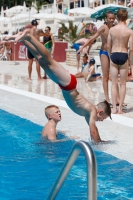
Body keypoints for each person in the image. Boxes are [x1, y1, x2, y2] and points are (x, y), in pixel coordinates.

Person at [15, 30, 112, 143]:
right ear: (100, 112)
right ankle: (29, 37)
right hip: (69, 83)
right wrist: (97, 145)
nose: (101, 121)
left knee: (41, 61)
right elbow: (92, 131)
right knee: (48, 60)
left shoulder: (88, 113)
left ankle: (24, 41)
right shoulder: (92, 111)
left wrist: (100, 140)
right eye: (103, 118)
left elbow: (94, 129)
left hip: (65, 85)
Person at [78, 11, 115, 105]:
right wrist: (83, 47)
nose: (111, 20)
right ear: (106, 19)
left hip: (113, 52)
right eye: (110, 18)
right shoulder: (103, 28)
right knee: (105, 76)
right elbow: (92, 39)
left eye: (113, 18)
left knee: (114, 77)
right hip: (104, 52)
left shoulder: (115, 28)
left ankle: (117, 99)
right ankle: (107, 99)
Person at [107, 9, 133, 114]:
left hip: (114, 54)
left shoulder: (112, 30)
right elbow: (131, 49)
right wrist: (130, 61)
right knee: (122, 84)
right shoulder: (129, 31)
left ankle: (113, 108)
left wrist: (110, 56)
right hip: (123, 55)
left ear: (117, 17)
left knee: (114, 84)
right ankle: (120, 109)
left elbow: (108, 46)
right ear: (126, 18)